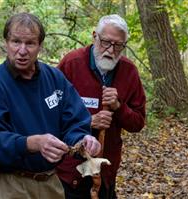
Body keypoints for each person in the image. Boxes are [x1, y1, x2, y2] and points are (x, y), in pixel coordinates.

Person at [0, 12, 101, 199]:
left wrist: (83, 140)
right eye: (16, 41)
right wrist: (33, 143)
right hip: (8, 184)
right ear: (6, 43)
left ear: (40, 45)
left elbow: (74, 122)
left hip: (50, 183)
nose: (22, 50)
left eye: (30, 43)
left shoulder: (54, 78)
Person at [56, 14, 146, 199]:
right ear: (94, 36)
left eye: (118, 45)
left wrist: (118, 107)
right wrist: (88, 121)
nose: (111, 50)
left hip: (105, 170)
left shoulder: (129, 71)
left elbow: (138, 123)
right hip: (69, 171)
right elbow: (50, 114)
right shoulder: (71, 64)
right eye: (106, 42)